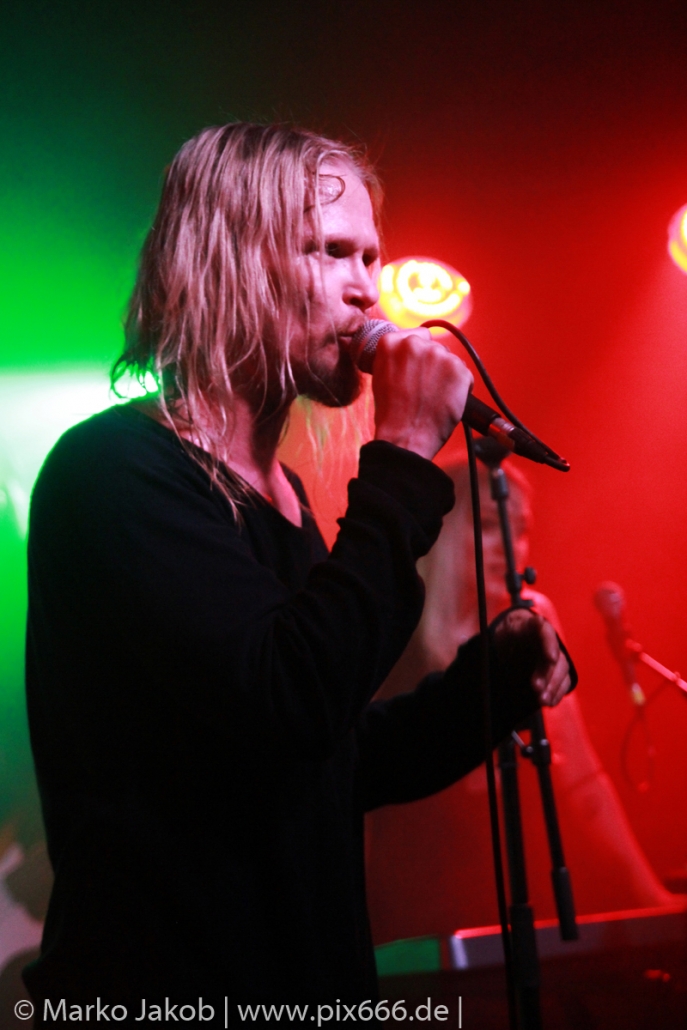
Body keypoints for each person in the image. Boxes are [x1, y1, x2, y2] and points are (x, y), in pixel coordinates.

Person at [23, 123, 573, 1024]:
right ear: (230, 262)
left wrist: (495, 676)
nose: (367, 289)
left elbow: (328, 762)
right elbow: (291, 696)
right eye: (330, 252)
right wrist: (403, 450)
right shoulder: (115, 474)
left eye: (372, 257)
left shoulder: (284, 500)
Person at [366, 457, 676, 944]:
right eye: (490, 525)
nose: (510, 547)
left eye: (521, 530)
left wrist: (654, 901)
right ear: (444, 531)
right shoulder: (394, 630)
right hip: (419, 919)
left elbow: (585, 787)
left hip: (529, 904)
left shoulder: (531, 620)